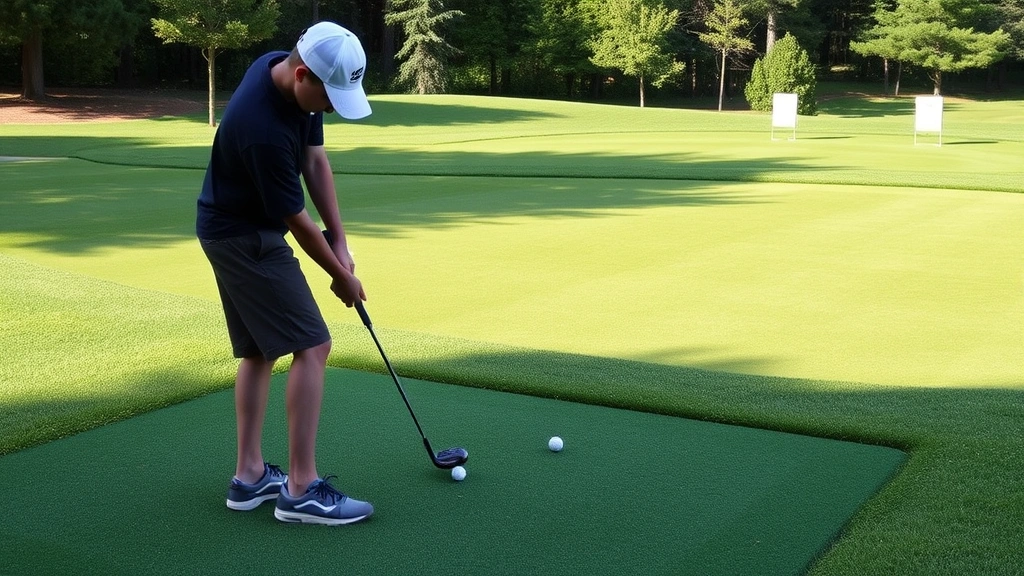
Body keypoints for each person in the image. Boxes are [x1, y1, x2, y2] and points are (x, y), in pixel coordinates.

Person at [197, 21, 374, 525]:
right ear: (302, 75)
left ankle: (250, 476)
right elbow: (295, 221)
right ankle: (301, 489)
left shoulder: (285, 72)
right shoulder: (262, 129)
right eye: (331, 96)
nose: (335, 107)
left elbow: (315, 159)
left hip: (231, 227)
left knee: (257, 350)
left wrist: (341, 236)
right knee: (314, 344)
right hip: (244, 236)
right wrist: (341, 275)